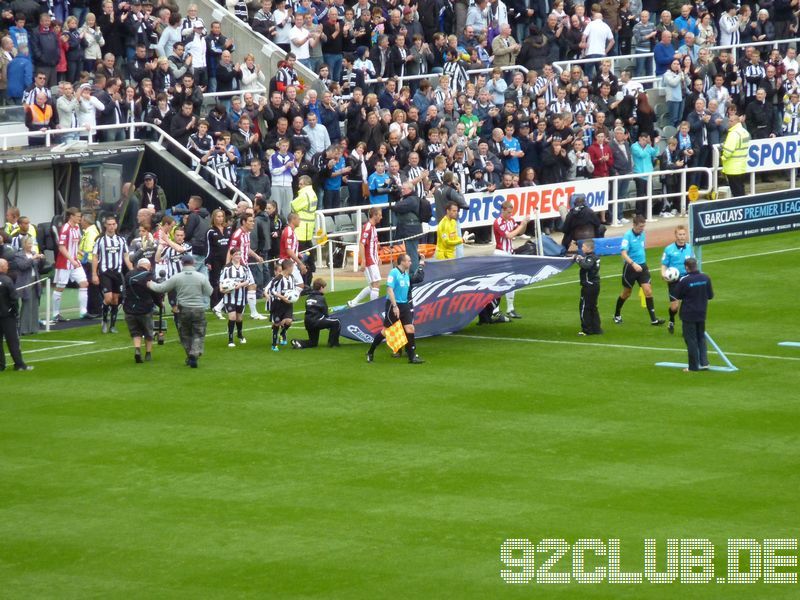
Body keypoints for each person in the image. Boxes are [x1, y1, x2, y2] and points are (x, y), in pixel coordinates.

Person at [147, 254, 213, 368]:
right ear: (193, 263)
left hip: (183, 309)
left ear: (182, 263)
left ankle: (190, 355)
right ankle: (194, 353)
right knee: (198, 333)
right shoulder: (201, 277)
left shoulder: (177, 277)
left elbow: (161, 288)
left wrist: (150, 284)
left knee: (185, 334)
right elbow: (210, 291)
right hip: (198, 308)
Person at [366, 253, 425, 364]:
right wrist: (394, 306)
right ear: (402, 262)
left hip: (405, 305)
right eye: (409, 261)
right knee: (385, 332)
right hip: (393, 305)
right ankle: (370, 352)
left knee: (410, 329)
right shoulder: (394, 273)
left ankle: (412, 357)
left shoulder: (406, 274)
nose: (410, 262)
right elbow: (389, 290)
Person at [613, 215, 665, 326]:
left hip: (642, 267)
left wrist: (641, 263)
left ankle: (653, 319)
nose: (642, 228)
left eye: (643, 226)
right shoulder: (627, 236)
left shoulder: (642, 235)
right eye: (641, 226)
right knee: (626, 293)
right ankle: (617, 314)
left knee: (648, 291)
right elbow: (623, 253)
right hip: (630, 268)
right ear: (634, 225)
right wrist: (633, 264)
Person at [92, 216, 132, 334]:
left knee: (115, 300)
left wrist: (133, 270)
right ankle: (104, 320)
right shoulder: (100, 240)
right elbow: (95, 257)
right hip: (105, 272)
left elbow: (126, 256)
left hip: (117, 273)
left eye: (113, 224)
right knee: (108, 298)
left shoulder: (121, 240)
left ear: (116, 225)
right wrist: (94, 274)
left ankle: (112, 326)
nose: (111, 226)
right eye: (109, 224)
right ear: (105, 225)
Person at [674, 257, 714, 372]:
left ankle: (693, 367)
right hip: (702, 312)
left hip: (688, 314)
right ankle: (704, 362)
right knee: (701, 337)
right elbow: (710, 296)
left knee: (691, 339)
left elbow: (677, 295)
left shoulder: (684, 280)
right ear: (696, 265)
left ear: (686, 267)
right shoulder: (706, 278)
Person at [492, 201, 529, 319]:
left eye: (511, 212)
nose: (510, 214)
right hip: (500, 254)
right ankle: (496, 309)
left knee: (511, 281)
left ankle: (510, 308)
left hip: (509, 253)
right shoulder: (498, 222)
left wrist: (524, 224)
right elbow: (509, 235)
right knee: (500, 281)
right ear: (502, 210)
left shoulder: (511, 220)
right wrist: (521, 226)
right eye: (508, 212)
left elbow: (520, 232)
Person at [53, 207, 90, 322]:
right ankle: (55, 314)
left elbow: (74, 244)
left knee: (84, 283)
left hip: (74, 261)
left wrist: (79, 252)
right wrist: (71, 259)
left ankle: (83, 312)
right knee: (60, 287)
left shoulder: (77, 227)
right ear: (71, 216)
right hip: (64, 263)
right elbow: (61, 247)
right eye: (78, 216)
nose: (80, 218)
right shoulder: (65, 228)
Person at [228, 214, 267, 320]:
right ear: (244, 222)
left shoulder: (246, 234)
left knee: (239, 287)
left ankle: (218, 308)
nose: (253, 223)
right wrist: (230, 266)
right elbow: (231, 251)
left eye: (253, 221)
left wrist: (257, 256)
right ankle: (254, 313)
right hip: (240, 265)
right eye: (250, 221)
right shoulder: (238, 235)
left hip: (244, 264)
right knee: (251, 285)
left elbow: (247, 249)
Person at [123, 257, 161, 363]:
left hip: (129, 309)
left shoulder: (128, 274)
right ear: (148, 266)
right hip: (145, 309)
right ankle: (148, 353)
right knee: (148, 332)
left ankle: (137, 349)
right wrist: (160, 304)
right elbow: (154, 292)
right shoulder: (149, 276)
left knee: (136, 332)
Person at [661, 225, 695, 336]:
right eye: (680, 234)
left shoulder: (689, 248)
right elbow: (664, 264)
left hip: (686, 279)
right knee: (674, 307)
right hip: (673, 281)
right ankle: (671, 320)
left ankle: (686, 329)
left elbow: (693, 264)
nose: (682, 237)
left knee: (687, 305)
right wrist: (663, 274)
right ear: (676, 235)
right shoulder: (669, 249)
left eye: (684, 234)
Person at [0, 258, 32, 371]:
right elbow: (13, 299)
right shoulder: (7, 280)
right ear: (2, 267)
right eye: (6, 265)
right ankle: (19, 364)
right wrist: (15, 312)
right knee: (13, 341)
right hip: (7, 316)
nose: (8, 267)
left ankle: (1, 365)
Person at [291, 278, 341, 349]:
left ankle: (299, 342)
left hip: (308, 322)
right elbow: (325, 314)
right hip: (317, 321)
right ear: (321, 288)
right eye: (324, 288)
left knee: (313, 343)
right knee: (336, 322)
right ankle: (333, 343)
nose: (324, 290)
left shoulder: (308, 297)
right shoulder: (321, 298)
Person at [348, 207, 383, 307]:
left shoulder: (373, 227)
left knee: (373, 285)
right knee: (376, 284)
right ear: (375, 215)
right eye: (380, 215)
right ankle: (374, 307)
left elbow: (373, 244)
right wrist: (363, 260)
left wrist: (378, 257)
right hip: (369, 260)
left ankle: (353, 302)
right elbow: (362, 244)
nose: (381, 217)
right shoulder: (368, 227)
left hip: (373, 259)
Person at [220, 248, 252, 347]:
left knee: (239, 318)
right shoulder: (226, 268)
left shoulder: (244, 267)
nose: (238, 256)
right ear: (232, 256)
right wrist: (222, 289)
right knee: (232, 317)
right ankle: (230, 339)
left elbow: (248, 281)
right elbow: (221, 282)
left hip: (241, 296)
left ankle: (239, 334)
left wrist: (240, 285)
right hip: (229, 296)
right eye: (236, 254)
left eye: (239, 254)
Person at [266, 259, 297, 351]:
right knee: (277, 323)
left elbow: (293, 289)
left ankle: (283, 333)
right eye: (292, 267)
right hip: (278, 304)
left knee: (289, 321)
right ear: (288, 267)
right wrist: (282, 297)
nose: (293, 269)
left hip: (288, 304)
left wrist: (294, 296)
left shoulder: (291, 277)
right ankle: (274, 344)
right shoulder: (278, 278)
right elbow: (271, 291)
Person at [574, 239, 602, 336]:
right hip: (595, 285)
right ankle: (596, 328)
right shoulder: (595, 257)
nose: (582, 248)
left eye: (583, 246)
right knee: (593, 307)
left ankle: (586, 330)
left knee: (584, 307)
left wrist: (578, 259)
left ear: (589, 248)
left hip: (589, 286)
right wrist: (582, 259)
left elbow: (586, 266)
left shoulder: (590, 258)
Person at [721, 110, 750, 198]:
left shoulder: (733, 134)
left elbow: (728, 151)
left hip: (732, 167)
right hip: (741, 166)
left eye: (731, 121)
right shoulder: (744, 132)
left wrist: (722, 157)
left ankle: (739, 207)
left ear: (736, 122)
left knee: (736, 191)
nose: (729, 123)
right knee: (741, 188)